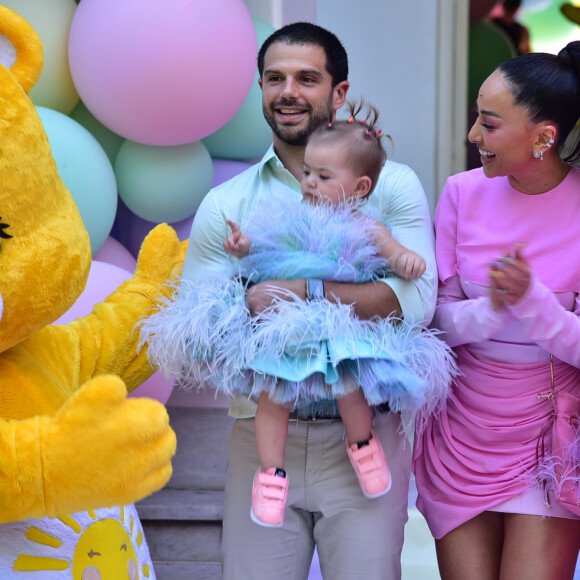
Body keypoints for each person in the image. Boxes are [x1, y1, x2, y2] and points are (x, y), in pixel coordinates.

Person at [153, 22, 437, 579]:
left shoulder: (391, 186)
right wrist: (273, 301)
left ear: (338, 93)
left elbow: (415, 302)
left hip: (366, 432)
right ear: (260, 88)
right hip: (262, 435)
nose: (288, 91)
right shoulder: (227, 203)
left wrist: (299, 292)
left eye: (307, 78)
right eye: (274, 78)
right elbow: (200, 326)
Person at [213, 102, 453, 529]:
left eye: (323, 177)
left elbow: (395, 257)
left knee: (349, 387)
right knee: (273, 395)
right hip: (289, 326)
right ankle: (270, 475)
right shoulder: (294, 214)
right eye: (307, 172)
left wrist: (406, 262)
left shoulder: (367, 226)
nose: (309, 183)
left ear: (360, 187)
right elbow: (267, 248)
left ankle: (362, 445)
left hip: (337, 323)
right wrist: (243, 245)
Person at [413, 42, 580, 580]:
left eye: (488, 123)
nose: (472, 137)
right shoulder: (460, 193)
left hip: (547, 441)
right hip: (461, 434)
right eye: (475, 119)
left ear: (543, 137)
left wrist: (533, 303)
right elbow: (435, 319)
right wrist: (489, 310)